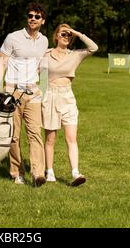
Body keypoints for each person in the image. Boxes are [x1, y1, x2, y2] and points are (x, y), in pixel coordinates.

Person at [0, 2, 49, 187]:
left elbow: (40, 66)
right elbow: (2, 63)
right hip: (12, 91)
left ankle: (38, 173)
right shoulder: (13, 37)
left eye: (37, 16)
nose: (33, 18)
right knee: (14, 135)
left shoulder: (44, 41)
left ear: (43, 20)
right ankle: (17, 172)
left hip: (32, 92)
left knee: (35, 133)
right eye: (30, 15)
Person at [40, 24, 98, 186]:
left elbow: (94, 47)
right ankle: (49, 171)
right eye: (63, 33)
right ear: (56, 36)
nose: (66, 36)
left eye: (68, 35)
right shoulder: (46, 54)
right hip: (49, 95)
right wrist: (41, 99)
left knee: (71, 137)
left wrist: (77, 33)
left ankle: (75, 172)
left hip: (67, 97)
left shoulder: (75, 55)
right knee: (50, 138)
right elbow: (42, 79)